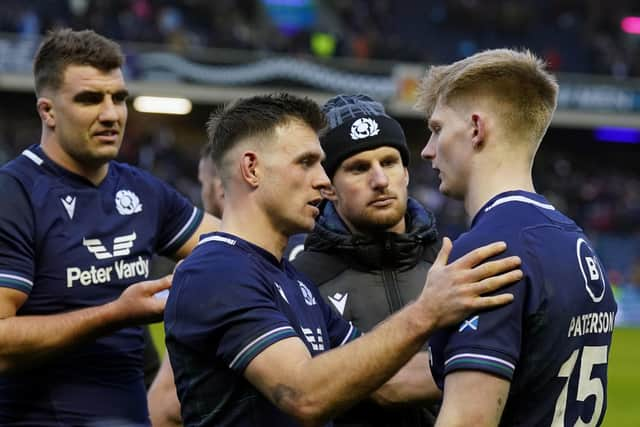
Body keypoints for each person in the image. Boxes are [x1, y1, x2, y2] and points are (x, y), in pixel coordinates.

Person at [164, 92, 523, 427]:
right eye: (306, 163)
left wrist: (500, 357)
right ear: (252, 169)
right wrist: (428, 311)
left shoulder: (294, 283)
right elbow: (301, 395)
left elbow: (388, 378)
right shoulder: (216, 270)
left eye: (321, 164)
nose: (323, 181)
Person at [0, 28, 218, 426]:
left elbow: (234, 247)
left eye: (118, 98)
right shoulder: (14, 195)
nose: (111, 114)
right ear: (47, 111)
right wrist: (114, 314)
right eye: (89, 99)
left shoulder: (140, 188)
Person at [416, 48, 618, 426]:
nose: (427, 151)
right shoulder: (575, 242)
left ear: (476, 128)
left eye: (437, 129)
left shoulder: (489, 251)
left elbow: (468, 420)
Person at [293, 94, 441, 427]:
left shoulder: (452, 262)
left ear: (406, 172)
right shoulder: (302, 281)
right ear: (328, 187)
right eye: (358, 168)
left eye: (388, 162)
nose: (380, 181)